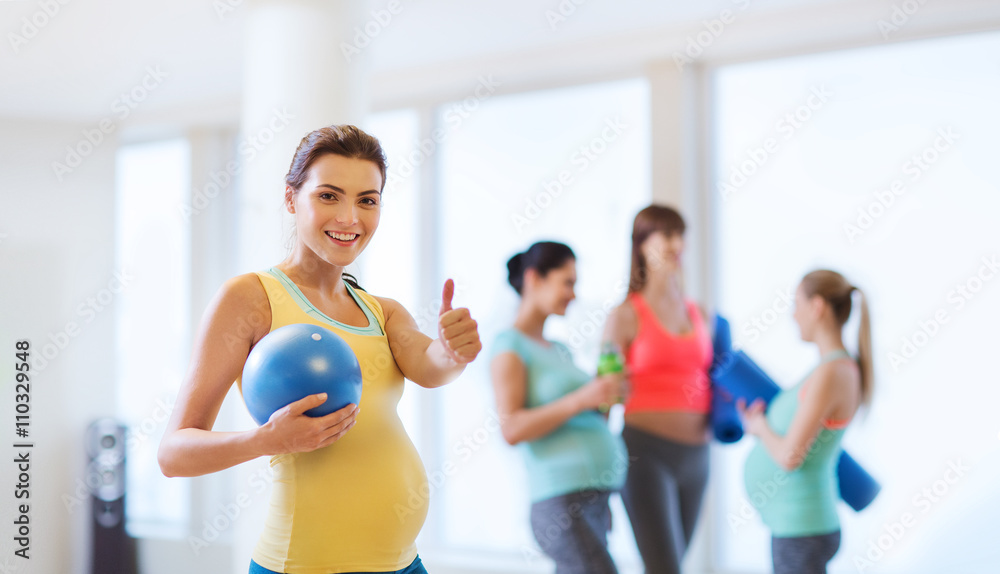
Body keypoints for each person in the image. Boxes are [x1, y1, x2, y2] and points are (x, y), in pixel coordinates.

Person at [157, 124, 482, 574]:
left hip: (404, 564)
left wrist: (453, 350)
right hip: (305, 565)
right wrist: (265, 440)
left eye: (367, 200)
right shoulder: (249, 299)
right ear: (291, 199)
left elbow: (432, 368)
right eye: (329, 196)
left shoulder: (382, 311)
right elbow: (173, 454)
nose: (350, 217)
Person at [490, 241, 628, 574]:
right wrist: (582, 398)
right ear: (535, 278)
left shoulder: (561, 350)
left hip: (595, 496)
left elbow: (590, 416)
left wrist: (606, 396)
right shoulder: (509, 345)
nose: (574, 294)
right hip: (563, 502)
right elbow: (511, 429)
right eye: (567, 282)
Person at [601, 205, 712, 574]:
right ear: (642, 244)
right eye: (666, 234)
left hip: (698, 457)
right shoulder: (624, 315)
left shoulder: (701, 314)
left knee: (673, 565)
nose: (677, 243)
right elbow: (603, 397)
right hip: (645, 456)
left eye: (681, 234)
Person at [738, 270, 873, 574]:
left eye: (797, 304)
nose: (793, 315)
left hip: (802, 527)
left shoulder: (831, 373)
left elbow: (790, 456)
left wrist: (760, 427)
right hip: (801, 524)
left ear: (817, 307)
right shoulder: (834, 369)